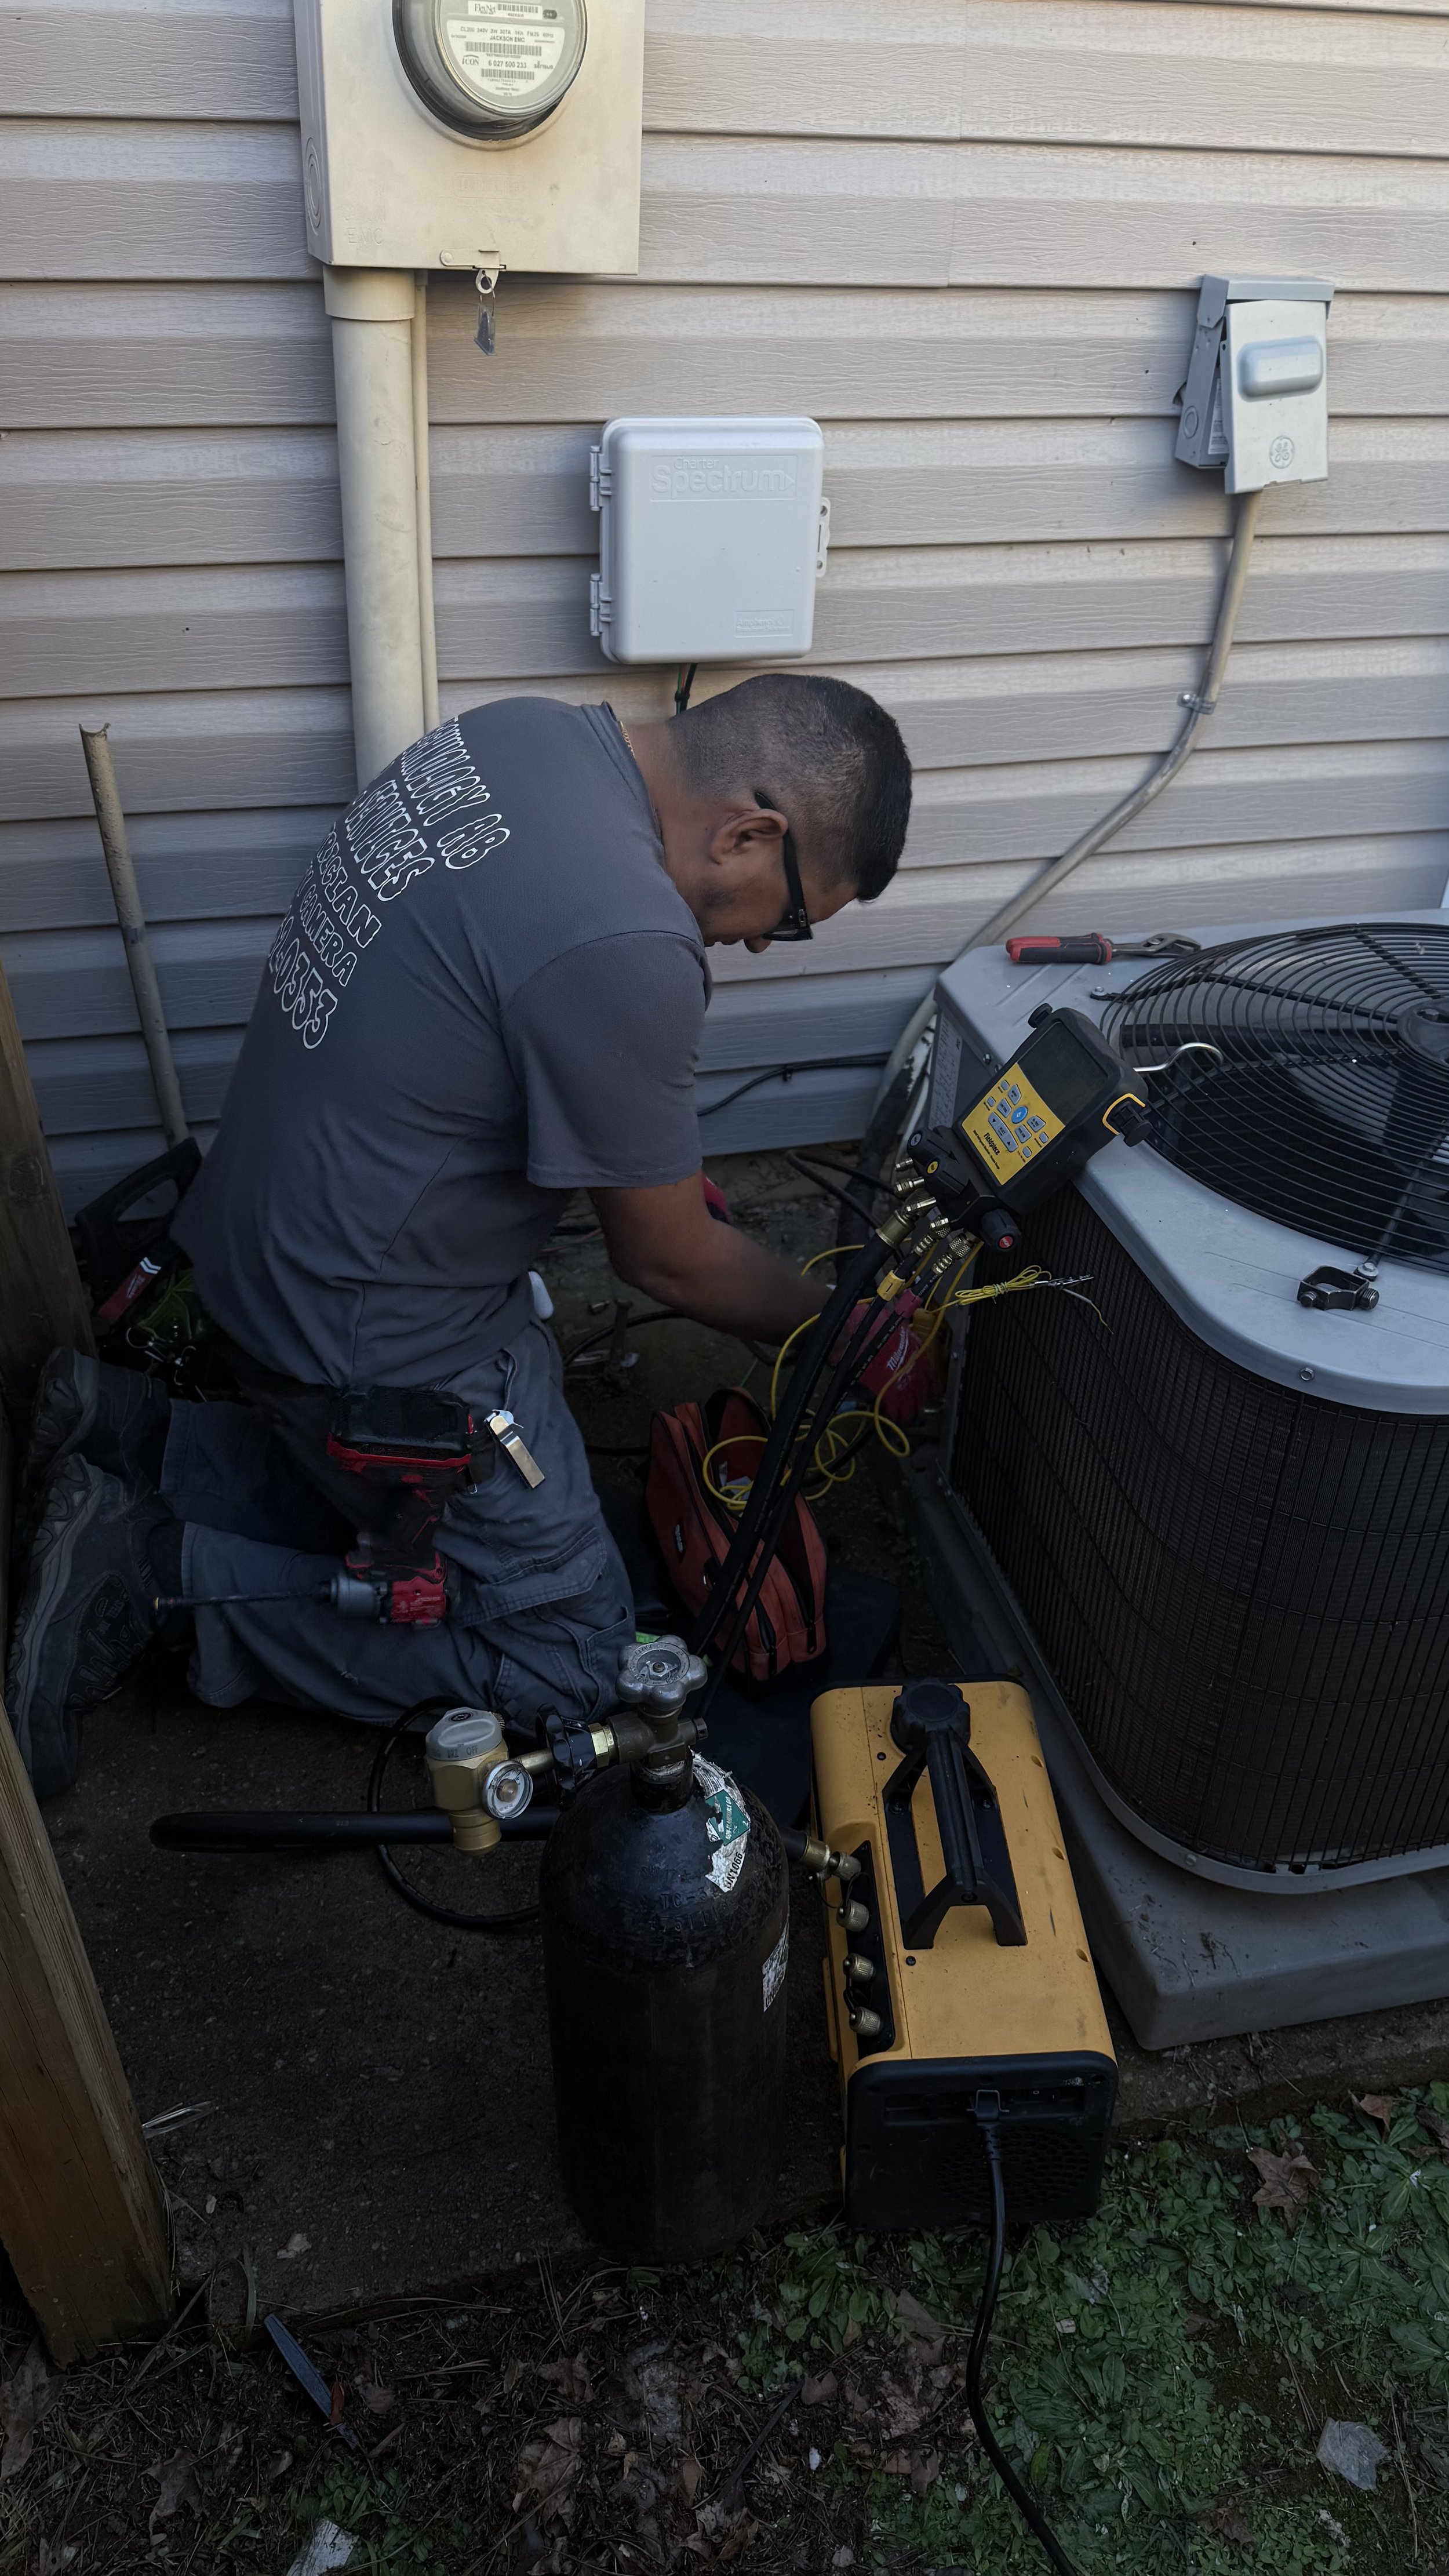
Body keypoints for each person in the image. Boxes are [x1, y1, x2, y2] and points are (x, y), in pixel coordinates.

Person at [6, 674, 913, 1800]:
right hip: (367, 1340)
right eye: (784, 918)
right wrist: (849, 1334)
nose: (763, 947)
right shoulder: (627, 935)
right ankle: (144, 1581)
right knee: (566, 1650)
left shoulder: (517, 738)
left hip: (256, 1253)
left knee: (445, 1510)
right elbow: (666, 1256)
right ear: (750, 832)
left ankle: (134, 1436)